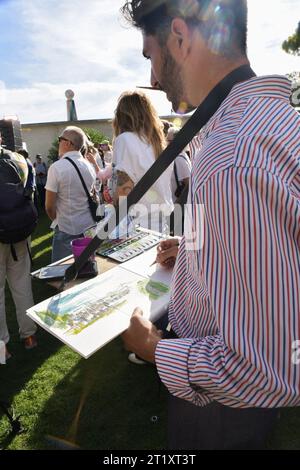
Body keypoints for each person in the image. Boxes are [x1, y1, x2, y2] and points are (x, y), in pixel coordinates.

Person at [120, 0, 300, 449]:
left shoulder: (230, 157)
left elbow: (264, 369)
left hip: (223, 409)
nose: (154, 81)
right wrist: (203, 247)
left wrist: (154, 349)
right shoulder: (274, 120)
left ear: (179, 38)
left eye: (151, 57)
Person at [112, 90, 174, 233]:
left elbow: (123, 191)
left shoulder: (125, 140)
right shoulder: (158, 143)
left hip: (137, 224)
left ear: (121, 116)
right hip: (161, 221)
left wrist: (114, 199)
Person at [0, 133, 37, 357]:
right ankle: (29, 336)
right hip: (20, 231)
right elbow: (30, 193)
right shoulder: (20, 159)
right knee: (22, 283)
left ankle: (2, 347)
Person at [45, 126, 97, 262]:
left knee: (62, 272)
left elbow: (49, 206)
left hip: (66, 227)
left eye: (60, 139)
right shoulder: (89, 165)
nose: (58, 143)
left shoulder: (56, 167)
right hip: (88, 225)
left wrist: (58, 220)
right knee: (87, 268)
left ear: (68, 143)